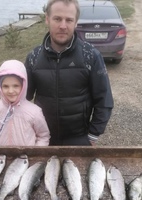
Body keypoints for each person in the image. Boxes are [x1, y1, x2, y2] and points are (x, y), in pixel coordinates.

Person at [25, 0, 114, 146]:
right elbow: (22, 99)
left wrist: (93, 134)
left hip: (79, 138)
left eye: (69, 20)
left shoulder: (90, 55)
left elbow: (104, 99)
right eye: (57, 19)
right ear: (47, 19)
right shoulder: (34, 57)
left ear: (76, 22)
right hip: (42, 138)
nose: (63, 26)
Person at [0, 60, 50, 146]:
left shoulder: (34, 112)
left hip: (25, 158)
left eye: (16, 86)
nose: (10, 91)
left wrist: (34, 153)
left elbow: (43, 136)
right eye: (5, 86)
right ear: (0, 86)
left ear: (23, 86)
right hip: (1, 157)